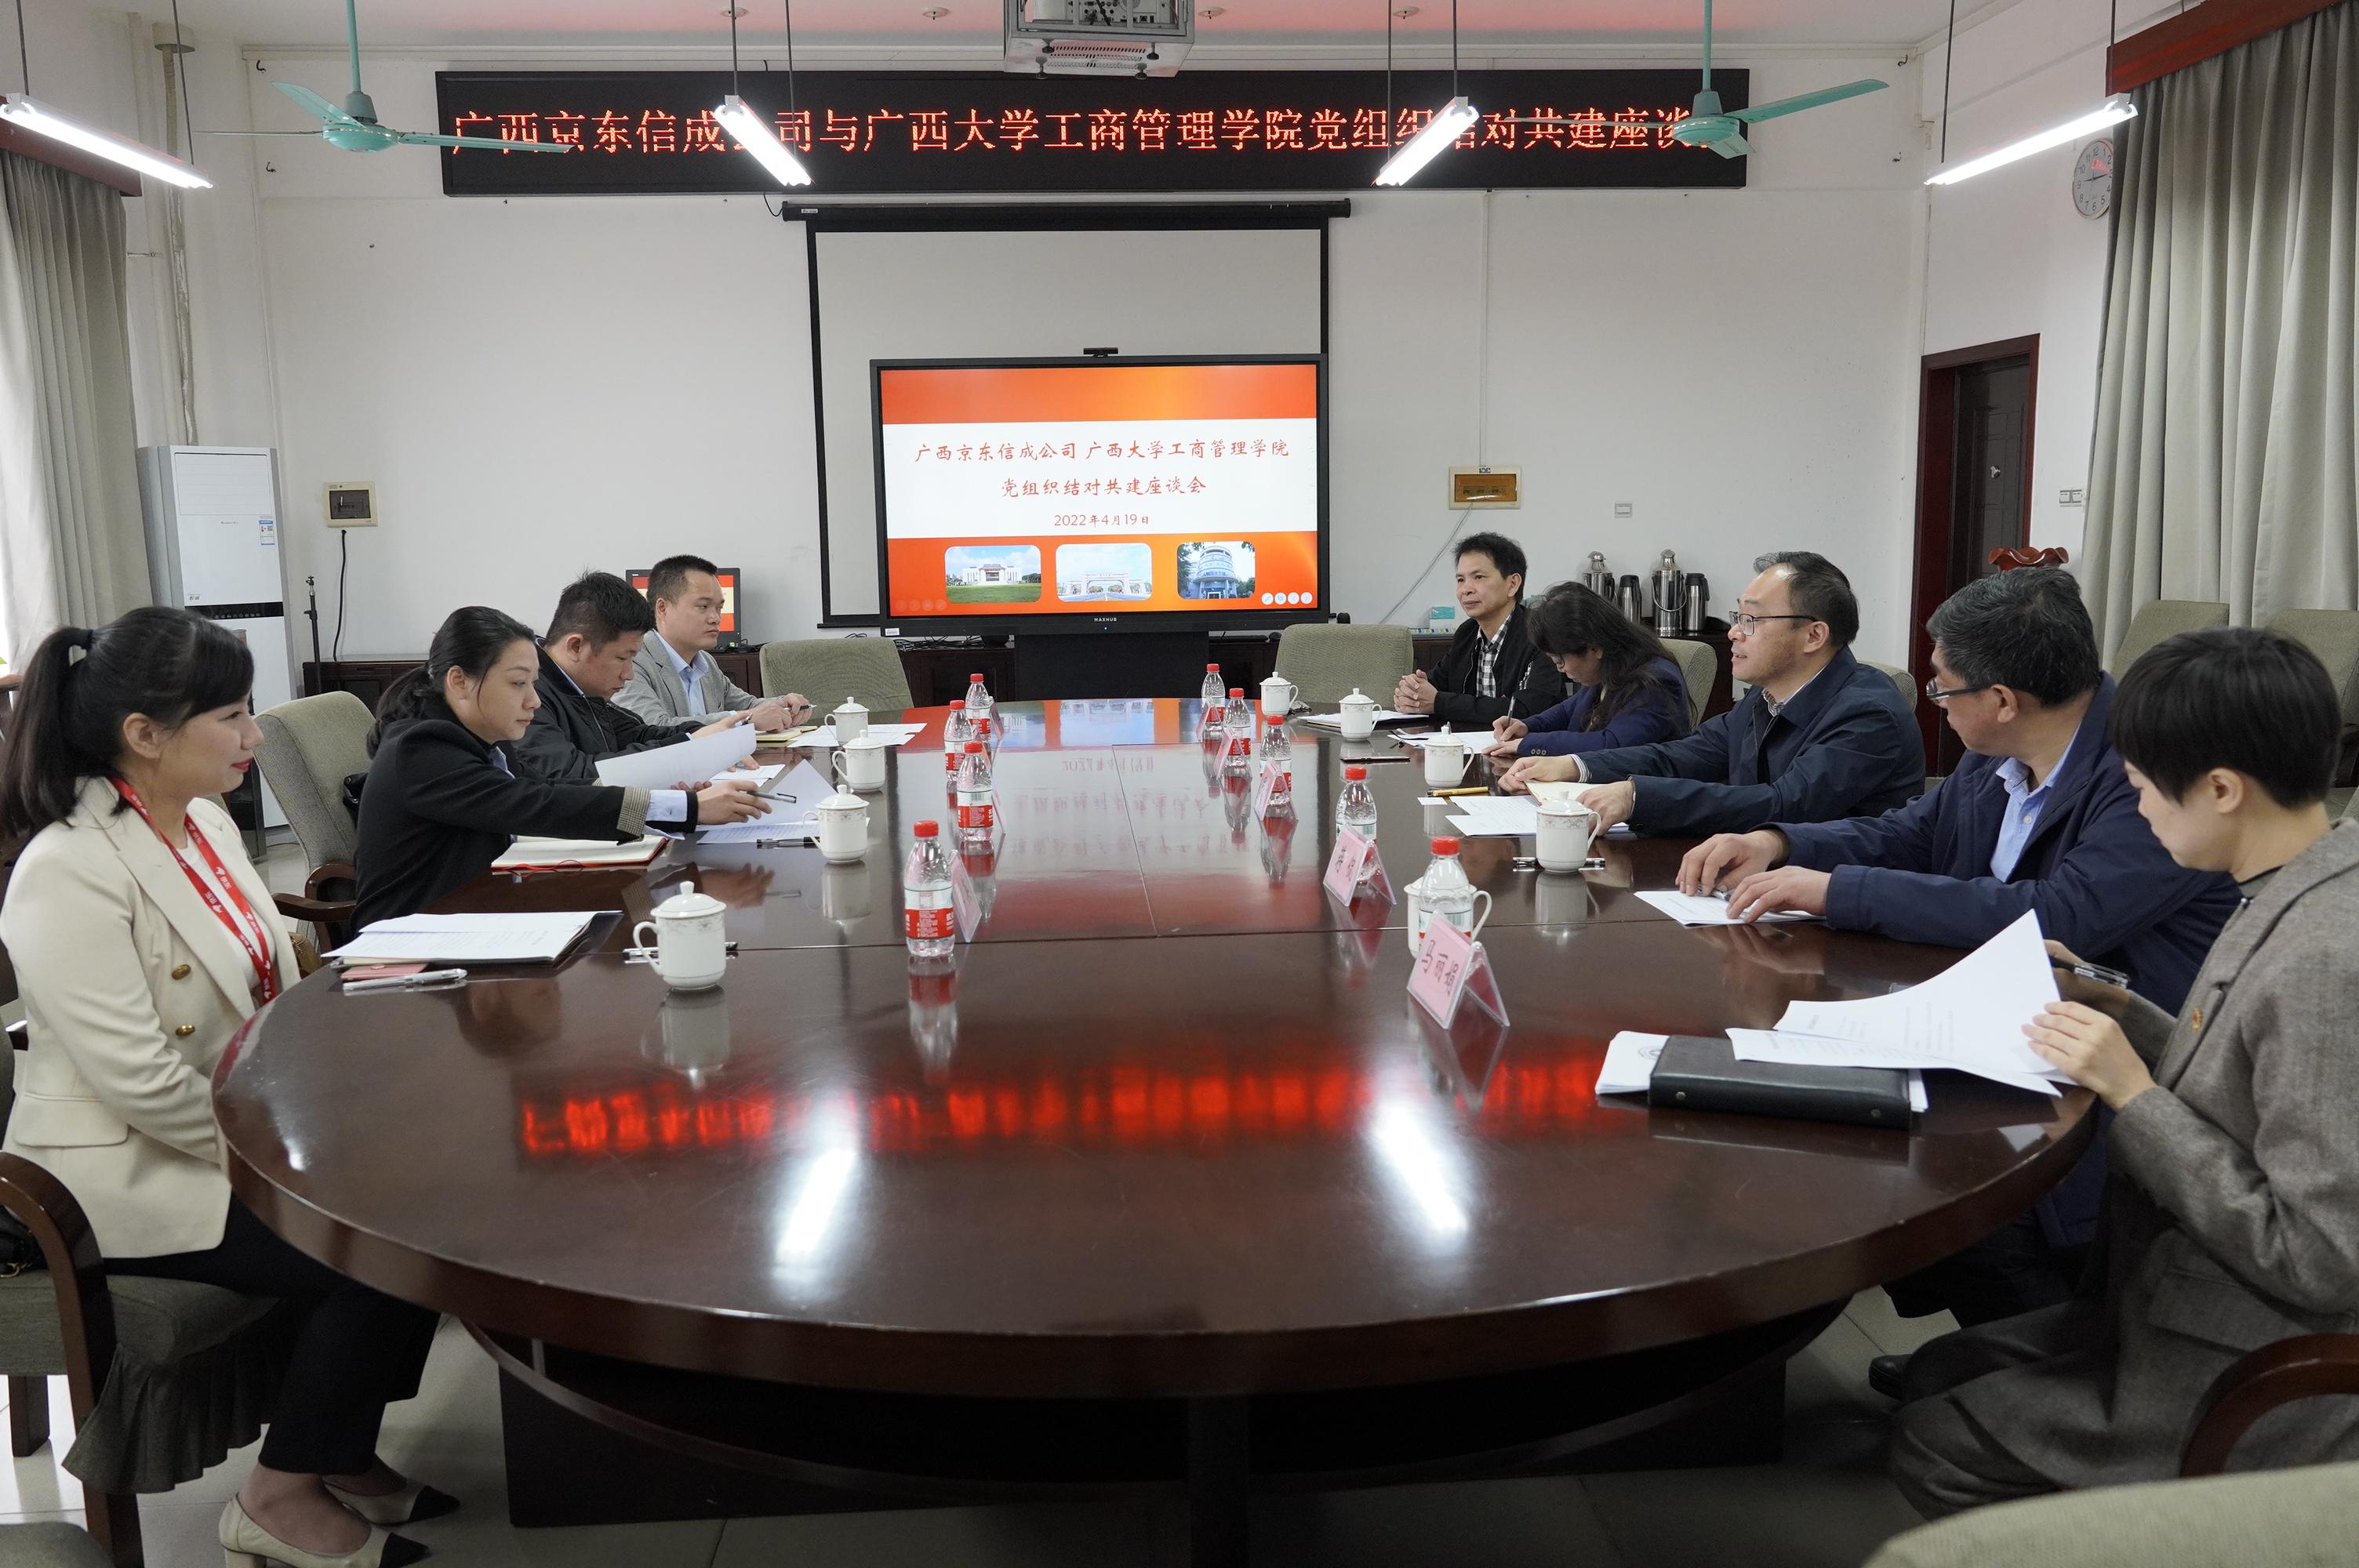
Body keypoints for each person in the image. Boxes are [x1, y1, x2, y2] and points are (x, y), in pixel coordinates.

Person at [1682, 568, 2241, 1353]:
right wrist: (1780, 842)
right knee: (1819, 1103)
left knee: (1908, 1157)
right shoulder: (1998, 750)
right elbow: (1911, 831)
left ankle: (2048, 1356)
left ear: (2002, 699)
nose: (1936, 703)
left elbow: (2060, 914)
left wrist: (1840, 891)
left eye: (1942, 688)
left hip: (2121, 1052)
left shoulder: (2145, 768)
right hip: (2000, 1019)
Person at [0, 608, 444, 1568]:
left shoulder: (200, 821)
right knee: (373, 1246)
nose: (255, 736)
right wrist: (293, 1147)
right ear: (145, 734)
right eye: (232, 717)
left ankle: (337, 1448)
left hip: (230, 1122)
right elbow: (141, 1081)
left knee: (427, 1191)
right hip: (121, 1168)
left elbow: (263, 988)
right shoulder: (66, 869)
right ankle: (277, 1497)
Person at [1887, 626, 2359, 1517]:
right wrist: (2116, 1005)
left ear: (2220, 789)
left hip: (2251, 1352)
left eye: (2141, 788)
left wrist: (2131, 1093)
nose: (2136, 810)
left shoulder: (2327, 958)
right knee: (1939, 1370)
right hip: (2169, 1296)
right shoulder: (2295, 877)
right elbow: (2246, 1073)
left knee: (1934, 1440)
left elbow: (2318, 1257)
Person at [354, 606, 762, 927]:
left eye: (534, 683)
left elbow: (553, 791)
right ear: (459, 681)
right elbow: (535, 803)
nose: (533, 700)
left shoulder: (484, 737)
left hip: (479, 912)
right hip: (411, 941)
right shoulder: (421, 749)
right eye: (518, 683)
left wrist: (668, 802)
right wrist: (686, 810)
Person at [1498, 552, 1922, 836]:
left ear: (1814, 635)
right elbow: (1681, 755)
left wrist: (1637, 797)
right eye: (1738, 616)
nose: (1734, 632)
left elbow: (1786, 805)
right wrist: (1575, 766)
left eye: (1752, 620)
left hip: (1829, 900)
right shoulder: (1764, 698)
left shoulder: (1867, 713)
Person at [514, 570, 758, 785]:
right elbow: (571, 775)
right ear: (576, 647)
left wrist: (698, 735)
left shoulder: (579, 690)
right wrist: (689, 744)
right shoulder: (528, 696)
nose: (629, 674)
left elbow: (638, 733)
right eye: (623, 658)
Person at [1483, 581, 1691, 761]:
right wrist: (1527, 726)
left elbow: (1611, 744)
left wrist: (1529, 743)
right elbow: (1568, 710)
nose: (1560, 668)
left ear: (1594, 648)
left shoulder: (1655, 682)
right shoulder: (1609, 667)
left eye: (1560, 660)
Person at [613, 554, 809, 730]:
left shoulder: (705, 662)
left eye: (719, 608)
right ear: (663, 608)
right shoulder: (633, 661)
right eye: (703, 606)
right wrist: (745, 719)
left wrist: (784, 705)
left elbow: (747, 705)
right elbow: (653, 728)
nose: (715, 618)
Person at [1392, 532, 1567, 725]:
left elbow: (1527, 710)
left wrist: (1439, 702)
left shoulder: (1541, 633)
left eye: (1479, 577)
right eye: (1461, 580)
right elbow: (1435, 686)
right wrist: (1413, 692)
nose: (1466, 589)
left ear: (1512, 584)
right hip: (1466, 742)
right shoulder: (1467, 633)